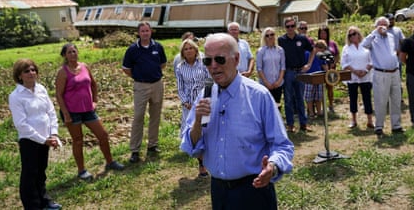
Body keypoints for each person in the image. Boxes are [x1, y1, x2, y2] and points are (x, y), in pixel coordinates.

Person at [180, 33, 294, 209]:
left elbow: (282, 145)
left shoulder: (258, 96)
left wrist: (272, 166)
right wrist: (197, 121)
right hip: (219, 191)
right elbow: (192, 146)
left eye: (220, 59)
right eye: (208, 61)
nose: (214, 67)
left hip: (254, 190)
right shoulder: (206, 95)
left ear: (236, 58)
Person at [55, 43, 124, 180]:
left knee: (103, 135)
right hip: (72, 111)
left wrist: (95, 101)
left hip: (88, 109)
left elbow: (93, 84)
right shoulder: (63, 72)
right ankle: (81, 171)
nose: (73, 54)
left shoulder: (85, 67)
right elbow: (58, 94)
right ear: (64, 56)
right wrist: (66, 114)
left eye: (74, 51)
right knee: (78, 140)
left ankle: (110, 162)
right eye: (69, 52)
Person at [9, 59, 62, 210]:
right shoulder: (16, 96)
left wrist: (54, 134)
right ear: (19, 76)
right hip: (30, 140)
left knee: (41, 171)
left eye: (33, 70)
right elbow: (21, 124)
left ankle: (44, 201)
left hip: (46, 138)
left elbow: (50, 112)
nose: (31, 73)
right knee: (29, 174)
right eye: (26, 71)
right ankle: (32, 205)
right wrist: (43, 140)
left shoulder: (41, 89)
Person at [122, 22, 167, 163]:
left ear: (151, 32)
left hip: (157, 85)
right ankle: (135, 150)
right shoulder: (132, 49)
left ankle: (152, 145)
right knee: (138, 117)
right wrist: (138, 77)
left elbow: (163, 64)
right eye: (142, 31)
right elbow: (126, 69)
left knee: (155, 116)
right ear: (138, 33)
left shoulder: (158, 47)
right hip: (141, 86)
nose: (145, 33)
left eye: (147, 30)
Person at [361, 16, 404, 136]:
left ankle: (396, 125)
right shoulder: (373, 37)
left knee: (396, 99)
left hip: (394, 71)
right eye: (380, 25)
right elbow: (364, 44)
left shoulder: (390, 36)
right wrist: (375, 32)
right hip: (381, 73)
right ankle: (379, 126)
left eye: (385, 25)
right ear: (376, 26)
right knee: (381, 100)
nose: (383, 27)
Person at [175, 38, 209, 177]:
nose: (189, 51)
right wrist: (185, 101)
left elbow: (209, 81)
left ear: (196, 50)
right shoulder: (180, 67)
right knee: (195, 132)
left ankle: (209, 159)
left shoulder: (203, 64)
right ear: (183, 52)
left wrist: (207, 98)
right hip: (189, 105)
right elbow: (180, 87)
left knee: (207, 131)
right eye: (186, 49)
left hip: (204, 101)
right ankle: (201, 165)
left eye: (191, 48)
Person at [278, 17, 315, 133]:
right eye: (288, 26)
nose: (290, 28)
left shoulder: (302, 38)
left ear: (295, 27)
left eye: (292, 26)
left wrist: (308, 64)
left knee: (300, 98)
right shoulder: (281, 40)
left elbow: (313, 50)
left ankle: (303, 123)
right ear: (285, 27)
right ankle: (290, 125)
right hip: (288, 72)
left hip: (300, 71)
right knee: (288, 99)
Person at [341, 26, 374, 129]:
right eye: (350, 35)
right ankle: (354, 120)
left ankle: (370, 120)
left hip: (366, 76)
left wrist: (365, 70)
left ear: (359, 34)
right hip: (352, 76)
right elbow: (344, 63)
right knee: (353, 99)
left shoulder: (366, 46)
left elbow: (372, 60)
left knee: (367, 98)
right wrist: (355, 71)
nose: (352, 36)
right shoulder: (346, 48)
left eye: (354, 33)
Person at [256, 27, 286, 109]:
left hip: (278, 83)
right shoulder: (261, 51)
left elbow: (283, 67)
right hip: (265, 84)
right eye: (267, 35)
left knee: (277, 106)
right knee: (267, 107)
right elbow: (259, 68)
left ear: (275, 36)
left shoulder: (280, 50)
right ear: (264, 37)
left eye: (272, 34)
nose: (270, 37)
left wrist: (279, 81)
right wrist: (266, 83)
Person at [304, 40, 328, 119]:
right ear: (317, 47)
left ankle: (319, 111)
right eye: (322, 49)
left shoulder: (321, 56)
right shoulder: (307, 53)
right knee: (309, 96)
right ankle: (311, 112)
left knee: (319, 96)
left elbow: (325, 66)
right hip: (309, 77)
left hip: (319, 77)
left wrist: (327, 72)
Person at [318, 26, 340, 113]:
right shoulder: (317, 44)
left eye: (324, 33)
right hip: (320, 70)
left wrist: (334, 63)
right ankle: (323, 106)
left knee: (330, 88)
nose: (323, 35)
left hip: (331, 70)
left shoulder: (332, 44)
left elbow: (337, 55)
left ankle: (331, 105)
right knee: (321, 89)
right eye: (321, 33)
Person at [385, 13, 406, 101]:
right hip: (385, 61)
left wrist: (400, 51)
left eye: (392, 19)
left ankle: (399, 97)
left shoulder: (398, 30)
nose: (391, 21)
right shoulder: (382, 31)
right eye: (389, 19)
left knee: (397, 79)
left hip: (397, 60)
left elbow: (403, 42)